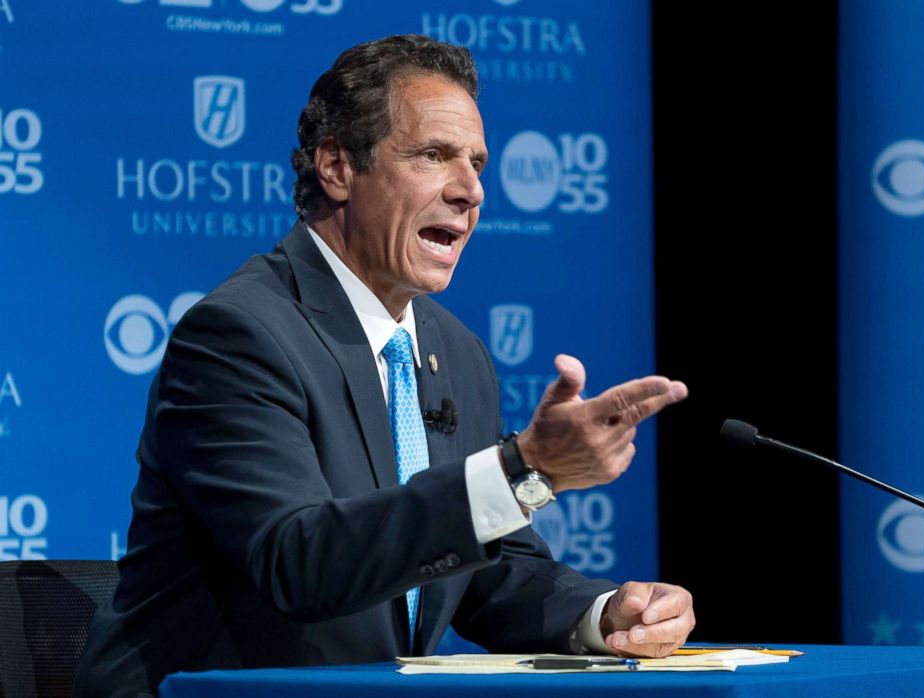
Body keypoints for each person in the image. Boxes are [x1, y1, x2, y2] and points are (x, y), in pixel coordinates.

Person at [74, 34, 694, 698]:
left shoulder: (454, 352)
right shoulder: (239, 335)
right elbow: (298, 561)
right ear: (337, 167)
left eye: (477, 163)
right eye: (434, 156)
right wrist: (525, 469)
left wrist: (602, 615)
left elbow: (481, 565)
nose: (472, 190)